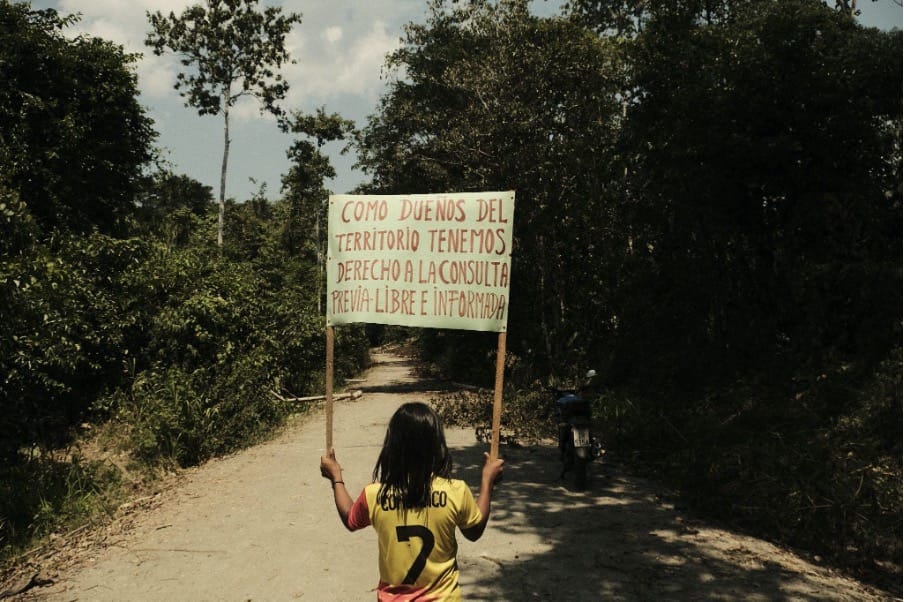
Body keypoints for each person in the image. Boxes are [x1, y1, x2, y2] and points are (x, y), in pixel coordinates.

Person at [319, 401, 504, 601]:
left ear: (391, 446)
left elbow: (350, 519)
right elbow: (474, 531)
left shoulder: (375, 495)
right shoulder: (455, 491)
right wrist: (487, 482)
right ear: (437, 445)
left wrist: (336, 477)